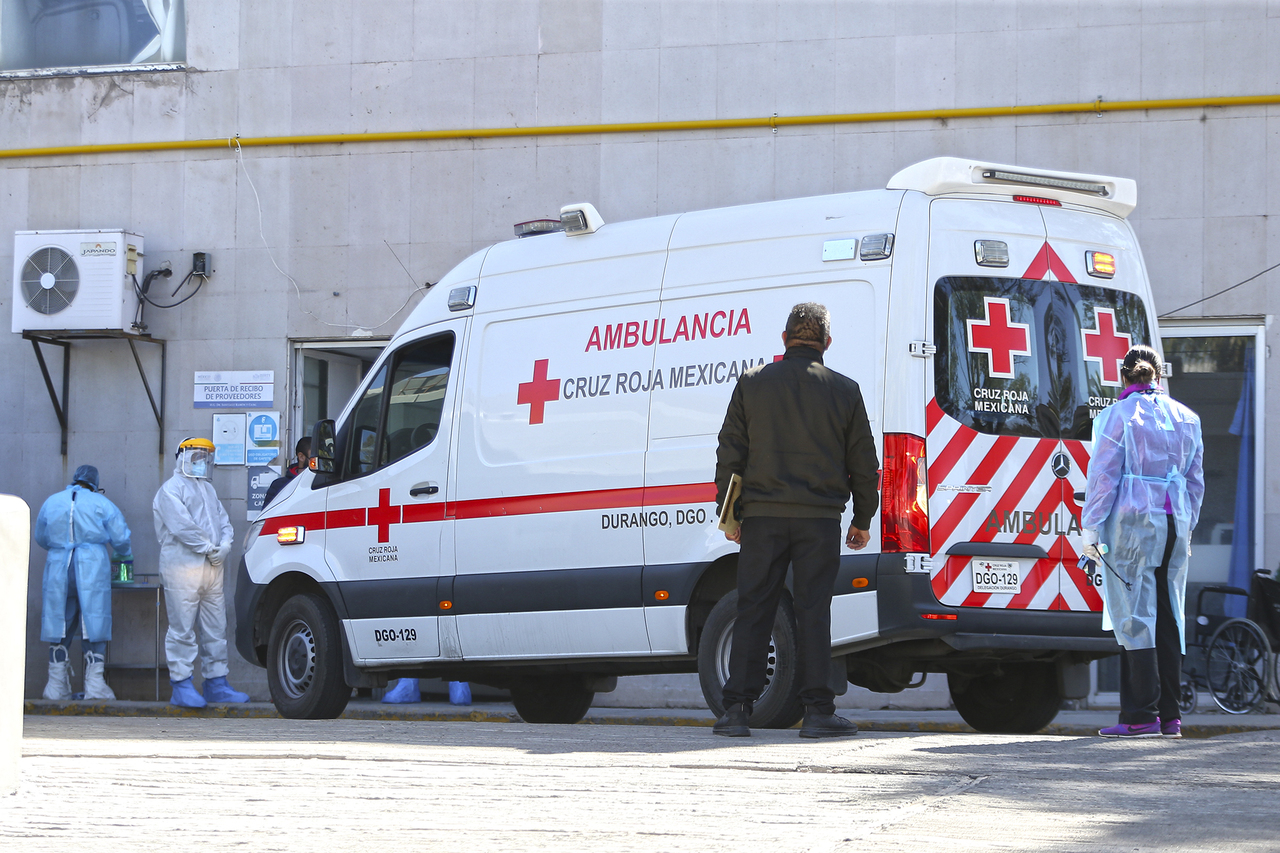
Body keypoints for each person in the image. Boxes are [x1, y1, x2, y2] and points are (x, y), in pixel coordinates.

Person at [712, 302, 880, 739]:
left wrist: (729, 516)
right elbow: (863, 460)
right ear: (827, 343)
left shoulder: (752, 384)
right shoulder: (845, 391)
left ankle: (736, 711)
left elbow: (730, 453)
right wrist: (863, 517)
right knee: (813, 612)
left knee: (754, 609)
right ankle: (818, 712)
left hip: (763, 520)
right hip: (819, 522)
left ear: (784, 340)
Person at [1081, 345, 1204, 739]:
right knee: (1170, 616)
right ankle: (1170, 716)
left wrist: (1091, 527)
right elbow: (1196, 481)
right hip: (1175, 522)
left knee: (1134, 616)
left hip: (1133, 523)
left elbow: (1104, 476)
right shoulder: (1187, 417)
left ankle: (1140, 715)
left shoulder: (1117, 417)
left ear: (1123, 377)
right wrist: (1187, 527)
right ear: (1158, 375)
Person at [153, 437, 251, 708]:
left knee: (215, 627)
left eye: (204, 458)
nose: (200, 462)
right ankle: (181, 684)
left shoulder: (207, 489)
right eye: (196, 457)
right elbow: (182, 527)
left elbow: (223, 521)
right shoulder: (170, 490)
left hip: (212, 569)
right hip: (182, 567)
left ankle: (216, 682)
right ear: (182, 457)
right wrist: (210, 547)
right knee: (182, 628)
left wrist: (225, 545)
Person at [35, 465, 132, 701]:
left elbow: (41, 536)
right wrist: (123, 553)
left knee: (60, 621)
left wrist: (60, 546)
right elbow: (121, 538)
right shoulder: (101, 503)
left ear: (75, 480)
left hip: (59, 565)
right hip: (91, 565)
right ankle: (95, 686)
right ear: (95, 484)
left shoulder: (52, 501)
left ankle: (56, 687)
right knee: (94, 620)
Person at [262, 436, 311, 508]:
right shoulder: (279, 486)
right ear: (301, 457)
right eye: (314, 457)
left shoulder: (323, 484)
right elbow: (267, 515)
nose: (318, 461)